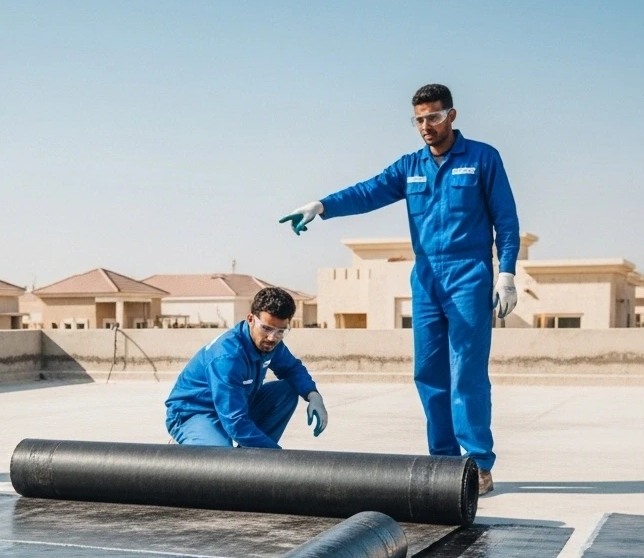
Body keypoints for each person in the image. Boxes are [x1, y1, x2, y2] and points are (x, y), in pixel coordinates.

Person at [280, 84, 519, 494]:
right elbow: (368, 191)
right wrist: (322, 206)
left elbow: (507, 222)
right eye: (419, 120)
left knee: (467, 374)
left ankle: (478, 463)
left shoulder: (483, 158)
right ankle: (444, 462)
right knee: (427, 372)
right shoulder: (410, 167)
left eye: (434, 117)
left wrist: (507, 274)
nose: (426, 126)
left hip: (469, 275)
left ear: (452, 116)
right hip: (426, 278)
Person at [166, 286, 327, 448]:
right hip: (195, 413)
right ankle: (188, 443)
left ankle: (253, 457)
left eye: (281, 331)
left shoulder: (268, 343)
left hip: (235, 405)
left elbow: (291, 368)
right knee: (218, 459)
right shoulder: (228, 358)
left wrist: (314, 396)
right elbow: (235, 422)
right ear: (250, 319)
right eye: (266, 328)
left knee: (287, 391)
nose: (272, 338)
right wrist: (277, 456)